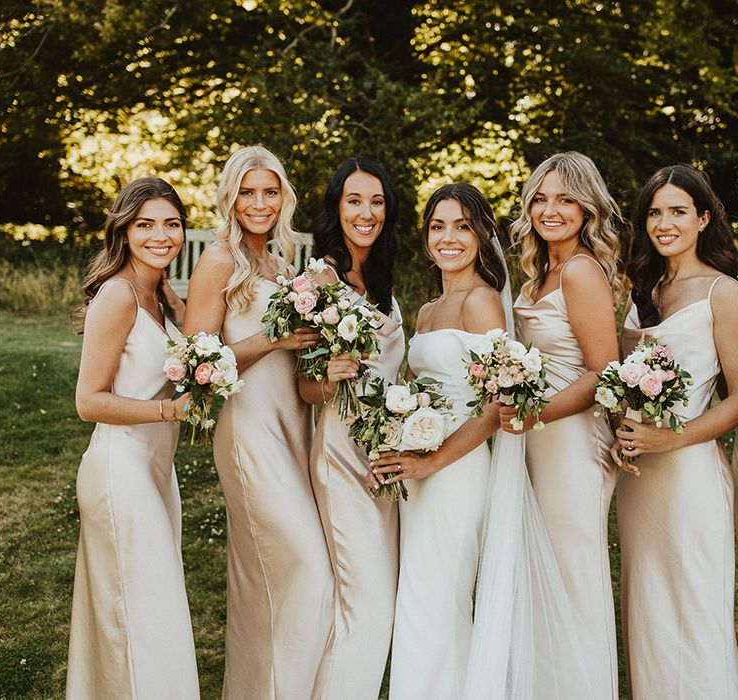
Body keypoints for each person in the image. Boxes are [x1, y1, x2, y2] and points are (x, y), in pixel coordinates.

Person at [183, 145, 333, 700]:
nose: (260, 203)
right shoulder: (220, 261)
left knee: (267, 581)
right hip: (248, 433)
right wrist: (275, 338)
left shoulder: (282, 263)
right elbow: (200, 366)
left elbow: (299, 359)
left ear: (283, 198)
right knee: (307, 570)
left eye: (270, 192)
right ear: (230, 197)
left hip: (292, 425)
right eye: (248, 192)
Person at [370, 183, 505, 698]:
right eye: (438, 226)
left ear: (483, 235)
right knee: (420, 601)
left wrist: (435, 461)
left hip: (457, 470)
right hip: (420, 469)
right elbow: (413, 391)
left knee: (441, 599)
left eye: (463, 226)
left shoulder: (482, 301)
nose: (449, 238)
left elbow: (499, 404)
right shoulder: (427, 311)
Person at [66, 177, 199, 699]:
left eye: (171, 224)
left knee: (147, 610)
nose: (160, 235)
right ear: (123, 230)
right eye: (145, 225)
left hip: (154, 471)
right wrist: (169, 410)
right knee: (137, 615)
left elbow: (192, 344)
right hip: (119, 472)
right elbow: (88, 401)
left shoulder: (159, 292)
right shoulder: (117, 295)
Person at [613, 164, 738, 698]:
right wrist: (623, 423)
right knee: (649, 619)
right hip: (640, 482)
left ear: (704, 218)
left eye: (678, 211)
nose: (664, 223)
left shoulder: (723, 292)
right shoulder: (639, 292)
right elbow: (615, 380)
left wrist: (674, 437)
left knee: (694, 615)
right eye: (655, 212)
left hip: (690, 476)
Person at [502, 151, 622, 698]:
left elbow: (603, 371)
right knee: (541, 571)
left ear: (587, 207)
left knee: (573, 574)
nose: (552, 210)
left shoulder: (579, 270)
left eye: (566, 199)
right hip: (538, 441)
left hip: (571, 441)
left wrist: (532, 415)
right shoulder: (539, 272)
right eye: (542, 198)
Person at [297, 156, 404, 699]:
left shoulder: (381, 277)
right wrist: (331, 374)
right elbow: (306, 389)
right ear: (336, 207)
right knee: (369, 603)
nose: (367, 212)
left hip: (386, 458)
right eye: (355, 200)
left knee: (369, 602)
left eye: (377, 201)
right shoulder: (319, 279)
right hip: (341, 455)